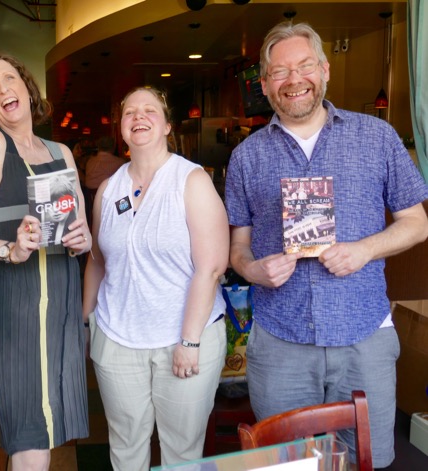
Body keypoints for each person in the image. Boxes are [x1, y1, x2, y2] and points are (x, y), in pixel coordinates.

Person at [225, 21, 428, 469]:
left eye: (304, 66)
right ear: (265, 84)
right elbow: (236, 245)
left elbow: (416, 223)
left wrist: (364, 250)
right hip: (280, 338)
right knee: (286, 463)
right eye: (279, 72)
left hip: (364, 334)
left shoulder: (377, 137)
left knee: (365, 462)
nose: (294, 80)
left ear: (325, 69)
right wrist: (252, 269)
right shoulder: (247, 156)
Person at [0, 52, 90, 470]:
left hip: (60, 300)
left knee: (47, 426)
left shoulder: (61, 151)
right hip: (17, 304)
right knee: (30, 430)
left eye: (10, 78)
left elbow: (80, 231)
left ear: (28, 89)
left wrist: (84, 239)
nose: (4, 88)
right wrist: (9, 250)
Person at [83, 86, 229, 470]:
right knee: (126, 445)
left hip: (182, 339)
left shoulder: (191, 180)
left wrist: (189, 339)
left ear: (167, 125)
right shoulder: (108, 189)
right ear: (121, 128)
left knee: (181, 451)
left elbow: (211, 266)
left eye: (150, 111)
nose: (139, 117)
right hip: (117, 339)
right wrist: (86, 323)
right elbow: (97, 261)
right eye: (130, 112)